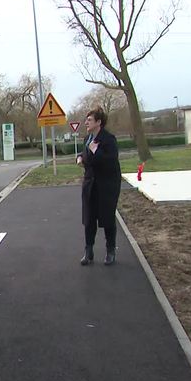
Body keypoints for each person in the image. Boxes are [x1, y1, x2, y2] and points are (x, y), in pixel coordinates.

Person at [76, 107, 122, 266]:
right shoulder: (87, 139)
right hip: (90, 185)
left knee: (108, 218)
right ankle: (88, 252)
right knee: (89, 219)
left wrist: (96, 152)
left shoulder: (109, 139)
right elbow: (85, 155)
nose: (86, 123)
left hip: (107, 186)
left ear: (99, 122)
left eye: (89, 120)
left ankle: (110, 251)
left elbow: (110, 161)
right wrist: (80, 157)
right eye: (86, 120)